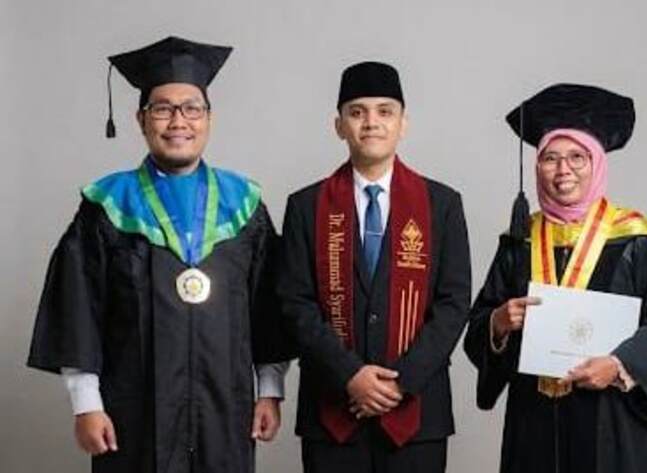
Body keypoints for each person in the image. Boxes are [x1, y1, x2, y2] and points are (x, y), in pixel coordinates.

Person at [27, 36, 292, 473]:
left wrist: (270, 390)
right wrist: (86, 403)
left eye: (192, 108)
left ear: (209, 119)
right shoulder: (108, 205)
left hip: (225, 408)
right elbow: (79, 307)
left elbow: (267, 308)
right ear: (141, 119)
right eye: (163, 108)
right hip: (132, 410)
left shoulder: (243, 204)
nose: (178, 121)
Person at [463, 83, 647, 473]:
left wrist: (619, 365)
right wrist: (497, 324)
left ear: (597, 163)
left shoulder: (636, 239)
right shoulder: (520, 240)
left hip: (612, 425)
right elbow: (480, 325)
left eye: (577, 157)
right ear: (537, 166)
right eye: (550, 158)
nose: (562, 170)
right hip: (534, 423)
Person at [278, 61, 471, 473]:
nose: (371, 122)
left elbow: (454, 304)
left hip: (418, 415)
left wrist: (400, 382)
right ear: (339, 126)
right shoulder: (306, 206)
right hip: (332, 412)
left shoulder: (442, 205)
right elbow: (295, 303)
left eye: (385, 111)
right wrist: (350, 374)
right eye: (357, 112)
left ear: (403, 124)